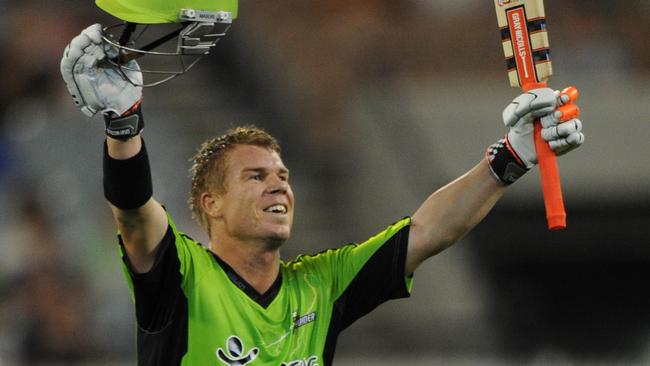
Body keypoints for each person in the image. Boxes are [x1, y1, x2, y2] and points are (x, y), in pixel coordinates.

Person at [60, 9, 584, 366]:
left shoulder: (320, 284)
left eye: (283, 176)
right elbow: (133, 212)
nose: (279, 187)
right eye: (257, 176)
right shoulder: (181, 276)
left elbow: (426, 231)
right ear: (209, 204)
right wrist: (124, 123)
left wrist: (509, 158)